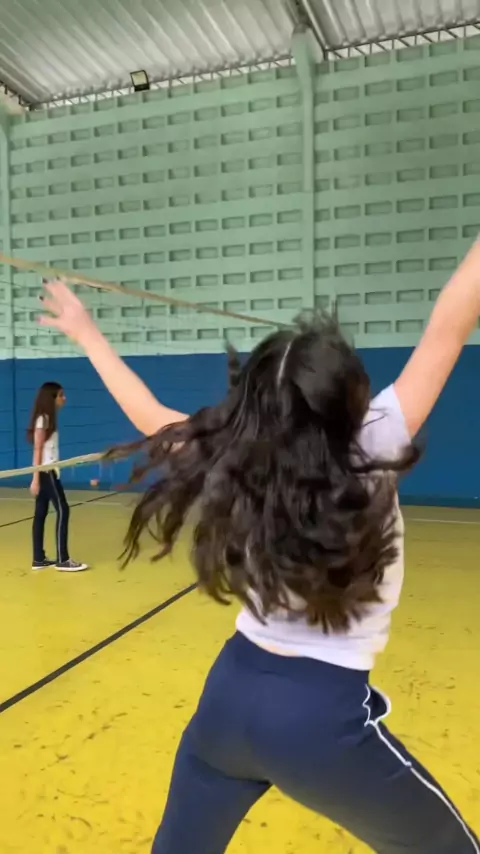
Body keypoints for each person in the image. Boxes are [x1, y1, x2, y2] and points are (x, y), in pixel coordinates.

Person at [38, 235, 480, 854]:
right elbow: (450, 324)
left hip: (228, 697)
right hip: (318, 722)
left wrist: (86, 333)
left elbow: (147, 413)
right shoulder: (375, 441)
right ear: (347, 399)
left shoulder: (235, 452)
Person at [27, 381, 88, 572]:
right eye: (61, 395)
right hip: (47, 472)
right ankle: (63, 559)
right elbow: (37, 449)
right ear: (51, 398)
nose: (64, 398)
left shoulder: (47, 419)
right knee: (63, 510)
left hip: (48, 471)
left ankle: (38, 559)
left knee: (41, 513)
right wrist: (35, 478)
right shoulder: (43, 420)